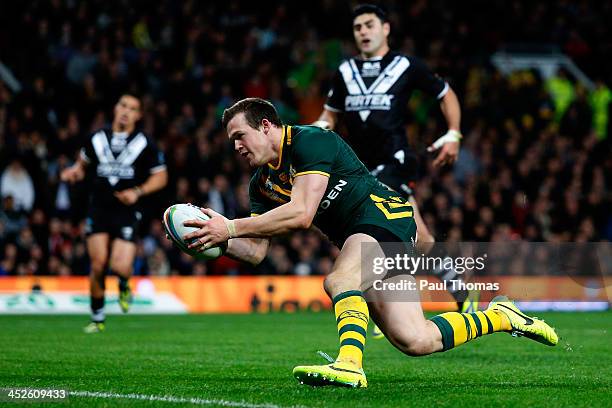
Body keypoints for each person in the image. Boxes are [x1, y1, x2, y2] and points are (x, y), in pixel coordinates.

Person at [183, 98, 558, 388]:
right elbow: (256, 250)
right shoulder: (261, 184)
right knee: (415, 339)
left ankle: (349, 364)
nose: (235, 147)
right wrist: (210, 237)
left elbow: (301, 214)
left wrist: (230, 226)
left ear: (265, 126)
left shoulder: (309, 141)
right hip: (370, 237)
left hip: (385, 218)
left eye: (239, 136)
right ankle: (501, 316)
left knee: (339, 281)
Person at [313, 4, 476, 322]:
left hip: (395, 161)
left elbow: (445, 93)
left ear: (386, 28)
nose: (363, 31)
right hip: (357, 167)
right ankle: (459, 288)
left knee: (379, 228)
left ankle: (385, 305)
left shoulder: (406, 65)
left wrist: (454, 133)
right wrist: (313, 135)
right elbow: (329, 117)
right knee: (422, 239)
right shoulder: (345, 71)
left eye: (369, 24)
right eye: (357, 27)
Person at [61, 94, 168, 333]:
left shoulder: (145, 143)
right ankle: (97, 319)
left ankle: (123, 282)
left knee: (120, 266)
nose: (125, 111)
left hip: (127, 210)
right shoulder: (97, 138)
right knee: (98, 265)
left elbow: (161, 177)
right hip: (99, 208)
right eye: (122, 105)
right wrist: (74, 172)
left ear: (138, 115)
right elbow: (83, 164)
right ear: (115, 108)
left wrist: (137, 192)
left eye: (132, 108)